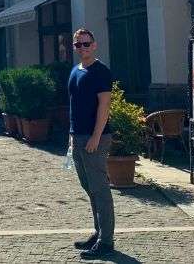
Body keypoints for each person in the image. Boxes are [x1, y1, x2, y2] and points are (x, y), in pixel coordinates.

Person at [69, 28, 115, 258]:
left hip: (95, 138)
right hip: (77, 137)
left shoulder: (101, 71)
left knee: (100, 189)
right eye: (78, 44)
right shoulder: (75, 71)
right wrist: (71, 136)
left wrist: (96, 136)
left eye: (86, 44)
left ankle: (106, 242)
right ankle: (98, 233)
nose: (83, 48)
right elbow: (74, 106)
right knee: (89, 188)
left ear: (94, 45)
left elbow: (104, 106)